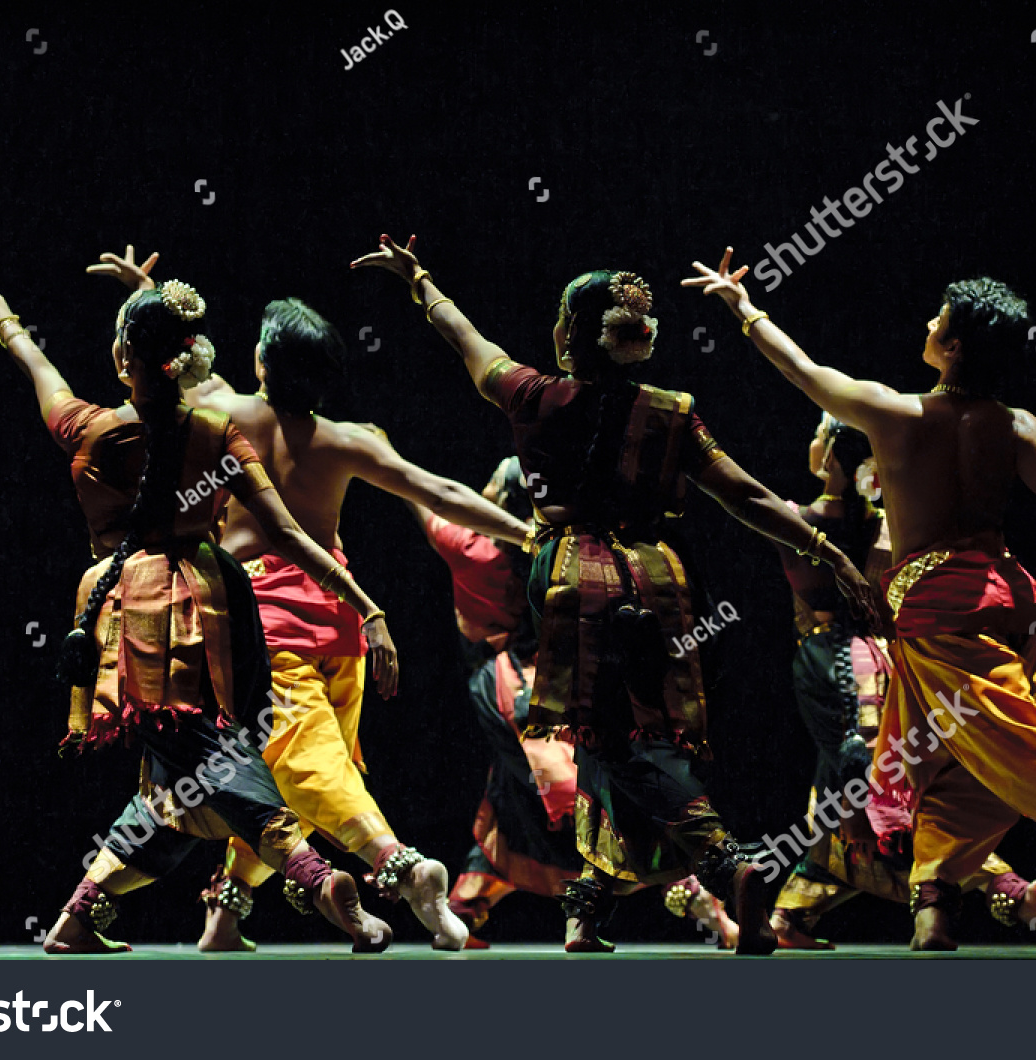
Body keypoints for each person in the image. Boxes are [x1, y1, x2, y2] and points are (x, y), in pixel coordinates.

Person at [684, 250, 1036, 951]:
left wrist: (743, 308)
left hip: (941, 615)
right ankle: (934, 909)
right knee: (955, 762)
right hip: (1000, 602)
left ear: (951, 345)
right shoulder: (1017, 426)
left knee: (1031, 757)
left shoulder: (895, 413)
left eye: (937, 317)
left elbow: (802, 371)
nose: (926, 321)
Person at [352, 234, 885, 954]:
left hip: (578, 585)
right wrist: (827, 551)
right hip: (662, 583)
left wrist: (421, 283)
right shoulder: (672, 411)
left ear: (570, 335)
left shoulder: (536, 396)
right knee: (616, 742)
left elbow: (467, 341)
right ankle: (588, 909)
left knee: (618, 742)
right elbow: (749, 497)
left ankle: (731, 866)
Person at [0, 252, 393, 954]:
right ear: (187, 359)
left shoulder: (87, 427)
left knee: (181, 780)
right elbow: (289, 536)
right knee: (206, 761)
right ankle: (314, 876)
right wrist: (367, 605)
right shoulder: (216, 432)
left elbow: (39, 368)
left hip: (128, 607)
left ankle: (75, 917)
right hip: (206, 607)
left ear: (122, 357)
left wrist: (3, 317)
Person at [153, 283, 532, 952]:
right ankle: (226, 915)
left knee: (304, 770)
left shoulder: (225, 412)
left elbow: (181, 370)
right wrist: (527, 534)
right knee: (291, 772)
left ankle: (406, 871)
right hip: (342, 621)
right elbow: (441, 491)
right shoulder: (347, 440)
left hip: (267, 626)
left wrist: (150, 302)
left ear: (264, 363)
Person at [769, 414, 1036, 950]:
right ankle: (793, 915)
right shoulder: (892, 521)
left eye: (819, 435)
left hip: (837, 663)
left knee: (870, 794)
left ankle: (1004, 888)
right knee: (846, 797)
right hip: (890, 658)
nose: (812, 443)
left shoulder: (798, 517)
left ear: (833, 455)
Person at [407, 457, 738, 949]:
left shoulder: (474, 547)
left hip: (513, 690)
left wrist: (383, 454)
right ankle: (695, 904)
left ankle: (472, 910)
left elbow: (428, 501)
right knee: (587, 794)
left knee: (546, 797)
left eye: (492, 484)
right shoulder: (569, 551)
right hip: (563, 686)